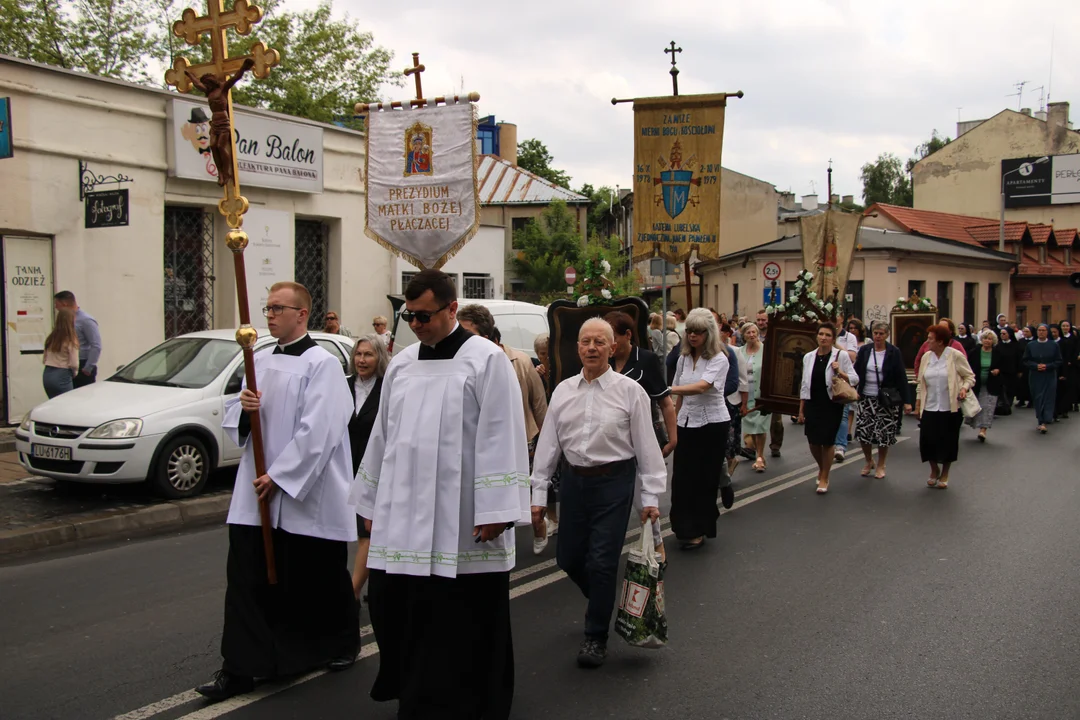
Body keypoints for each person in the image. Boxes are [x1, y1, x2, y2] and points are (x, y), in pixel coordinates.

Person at [351, 270, 529, 718]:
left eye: (424, 315)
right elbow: (383, 436)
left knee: (464, 618)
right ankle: (418, 699)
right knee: (402, 613)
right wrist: (370, 505)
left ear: (452, 309)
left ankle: (473, 704)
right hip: (405, 519)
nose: (416, 324)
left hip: (463, 520)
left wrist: (499, 509)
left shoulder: (486, 360)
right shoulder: (405, 364)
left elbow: (501, 435)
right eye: (409, 316)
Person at [197, 281, 359, 702]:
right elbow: (236, 412)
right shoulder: (260, 359)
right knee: (246, 581)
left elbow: (322, 428)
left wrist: (282, 476)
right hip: (255, 493)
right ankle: (241, 668)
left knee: (318, 578)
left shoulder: (321, 364)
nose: (268, 315)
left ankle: (339, 643)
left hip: (305, 493)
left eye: (277, 308)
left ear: (301, 314)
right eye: (267, 307)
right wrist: (244, 406)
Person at [529, 318, 666, 668]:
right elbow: (548, 446)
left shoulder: (629, 392)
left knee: (603, 561)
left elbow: (647, 449)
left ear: (612, 348)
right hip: (574, 482)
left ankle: (595, 636)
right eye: (585, 341)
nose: (591, 347)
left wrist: (650, 499)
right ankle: (603, 601)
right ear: (577, 348)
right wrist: (538, 496)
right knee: (569, 559)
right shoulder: (562, 390)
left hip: (614, 483)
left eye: (599, 342)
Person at [458, 303, 551, 554]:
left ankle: (538, 526)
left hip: (524, 436)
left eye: (468, 334)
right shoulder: (458, 363)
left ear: (487, 337)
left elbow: (539, 402)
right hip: (481, 441)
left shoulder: (519, 360)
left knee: (526, 490)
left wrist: (545, 440)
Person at [605, 311, 677, 557]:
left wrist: (673, 436)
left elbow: (665, 401)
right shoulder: (604, 361)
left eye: (612, 337)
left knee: (643, 498)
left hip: (643, 438)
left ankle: (656, 542)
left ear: (627, 335)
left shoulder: (645, 359)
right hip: (612, 441)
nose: (609, 343)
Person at [669, 309, 730, 547]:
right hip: (686, 422)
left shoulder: (719, 359)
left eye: (698, 332)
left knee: (703, 479)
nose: (692, 336)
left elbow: (702, 387)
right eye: (690, 331)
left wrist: (668, 391)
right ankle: (683, 526)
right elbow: (679, 390)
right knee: (683, 477)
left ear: (709, 334)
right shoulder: (683, 358)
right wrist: (672, 422)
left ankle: (699, 528)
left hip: (712, 424)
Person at [345, 334, 388, 604]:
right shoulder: (343, 385)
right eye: (358, 354)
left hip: (374, 469)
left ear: (379, 358)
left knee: (367, 533)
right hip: (342, 467)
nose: (361, 360)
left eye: (368, 355)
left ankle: (353, 591)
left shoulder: (386, 388)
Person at [798, 322, 858, 494]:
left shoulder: (841, 356)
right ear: (817, 336)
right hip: (813, 402)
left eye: (828, 335)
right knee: (813, 441)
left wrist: (840, 372)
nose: (823, 338)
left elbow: (854, 379)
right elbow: (804, 383)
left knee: (828, 440)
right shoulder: (808, 357)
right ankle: (822, 466)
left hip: (831, 403)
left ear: (833, 339)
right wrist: (801, 409)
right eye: (821, 334)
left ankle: (824, 476)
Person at [914, 322, 975, 489]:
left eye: (930, 339)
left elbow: (970, 377)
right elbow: (921, 382)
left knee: (948, 441)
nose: (927, 342)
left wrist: (963, 388)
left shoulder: (955, 356)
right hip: (930, 406)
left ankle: (945, 473)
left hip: (950, 407)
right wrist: (918, 404)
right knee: (927, 441)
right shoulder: (927, 357)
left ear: (940, 341)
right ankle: (934, 470)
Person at [853, 321, 909, 479]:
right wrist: (852, 389)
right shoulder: (864, 351)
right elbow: (856, 372)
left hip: (886, 399)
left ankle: (881, 463)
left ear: (887, 335)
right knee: (864, 432)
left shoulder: (893, 352)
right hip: (866, 397)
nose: (877, 336)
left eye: (881, 334)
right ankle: (868, 460)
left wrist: (907, 401)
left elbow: (901, 376)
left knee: (884, 434)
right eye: (875, 333)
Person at [736, 322, 769, 472]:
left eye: (754, 332)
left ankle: (760, 456)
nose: (752, 335)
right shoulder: (739, 352)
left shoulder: (766, 350)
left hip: (761, 393)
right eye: (748, 332)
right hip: (744, 393)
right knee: (751, 426)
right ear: (743, 335)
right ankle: (758, 452)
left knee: (760, 425)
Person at [53, 291, 101, 389]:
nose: (56, 308)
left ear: (64, 304)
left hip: (82, 365)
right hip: (68, 366)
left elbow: (96, 345)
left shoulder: (85, 320)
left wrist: (88, 368)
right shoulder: (65, 319)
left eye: (57, 304)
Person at [833, 318, 866, 463]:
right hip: (826, 383)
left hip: (841, 379)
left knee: (843, 414)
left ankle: (840, 445)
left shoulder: (849, 337)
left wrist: (835, 345)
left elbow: (853, 356)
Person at [756, 308, 785, 457]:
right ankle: (752, 445)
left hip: (774, 380)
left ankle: (775, 444)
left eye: (763, 320)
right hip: (756, 379)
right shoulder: (753, 335)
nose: (761, 323)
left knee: (776, 418)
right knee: (754, 413)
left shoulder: (776, 335)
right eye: (759, 320)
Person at [1023, 323, 1062, 434]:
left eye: (1044, 330)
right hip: (1035, 375)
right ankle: (1040, 420)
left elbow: (1059, 360)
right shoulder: (1031, 345)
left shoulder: (1054, 345)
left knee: (1048, 397)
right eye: (1039, 330)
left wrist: (1047, 366)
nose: (1041, 332)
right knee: (1038, 397)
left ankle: (1045, 420)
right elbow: (1025, 360)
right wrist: (1035, 366)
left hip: (1049, 374)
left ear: (1047, 332)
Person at [42, 309, 79, 398]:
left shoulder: (51, 338)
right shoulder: (71, 339)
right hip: (62, 373)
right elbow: (74, 363)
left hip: (47, 374)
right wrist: (74, 373)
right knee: (66, 404)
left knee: (53, 403)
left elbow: (44, 358)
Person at [995, 327, 1019, 416]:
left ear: (1010, 334)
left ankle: (1008, 405)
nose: (1002, 335)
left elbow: (1019, 358)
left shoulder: (1015, 345)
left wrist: (1019, 370)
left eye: (1004, 333)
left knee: (1010, 389)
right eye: (1001, 334)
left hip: (1012, 371)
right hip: (1001, 371)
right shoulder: (998, 345)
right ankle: (1004, 406)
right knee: (1002, 389)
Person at [1058, 320, 1078, 414]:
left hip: (1071, 365)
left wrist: (1072, 361)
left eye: (1067, 326)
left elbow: (1076, 351)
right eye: (1063, 326)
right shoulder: (1059, 339)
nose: (1065, 327)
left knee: (1070, 385)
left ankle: (1070, 403)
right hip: (1060, 364)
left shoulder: (1074, 339)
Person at [1015, 326, 1033, 408]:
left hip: (1031, 365)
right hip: (1022, 365)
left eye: (1027, 331)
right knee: (1021, 384)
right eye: (1024, 331)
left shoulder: (1034, 341)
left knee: (1030, 384)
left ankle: (1031, 400)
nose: (1025, 333)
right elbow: (1018, 354)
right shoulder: (1021, 341)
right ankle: (1021, 400)